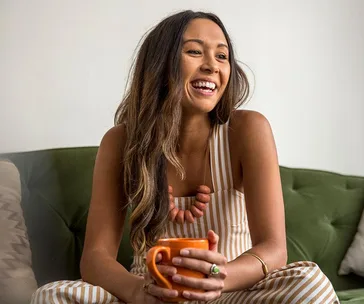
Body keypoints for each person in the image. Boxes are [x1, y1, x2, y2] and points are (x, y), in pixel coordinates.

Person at [31, 10, 339, 304]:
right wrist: (139, 292)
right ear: (160, 63)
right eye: (194, 52)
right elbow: (95, 258)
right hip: (151, 294)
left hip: (229, 291)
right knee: (51, 295)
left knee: (308, 283)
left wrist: (218, 276)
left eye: (222, 56)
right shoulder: (120, 143)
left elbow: (273, 250)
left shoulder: (247, 130)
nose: (212, 66)